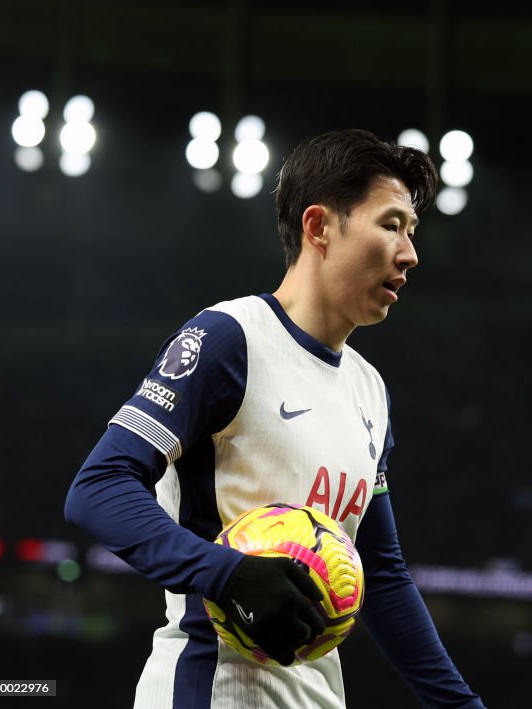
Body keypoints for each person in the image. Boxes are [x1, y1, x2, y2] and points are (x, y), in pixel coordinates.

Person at [64, 129, 485, 709]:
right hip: (208, 690)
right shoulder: (228, 339)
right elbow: (99, 487)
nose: (410, 252)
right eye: (391, 225)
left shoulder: (369, 389)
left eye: (411, 232)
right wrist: (226, 572)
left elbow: (381, 576)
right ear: (319, 227)